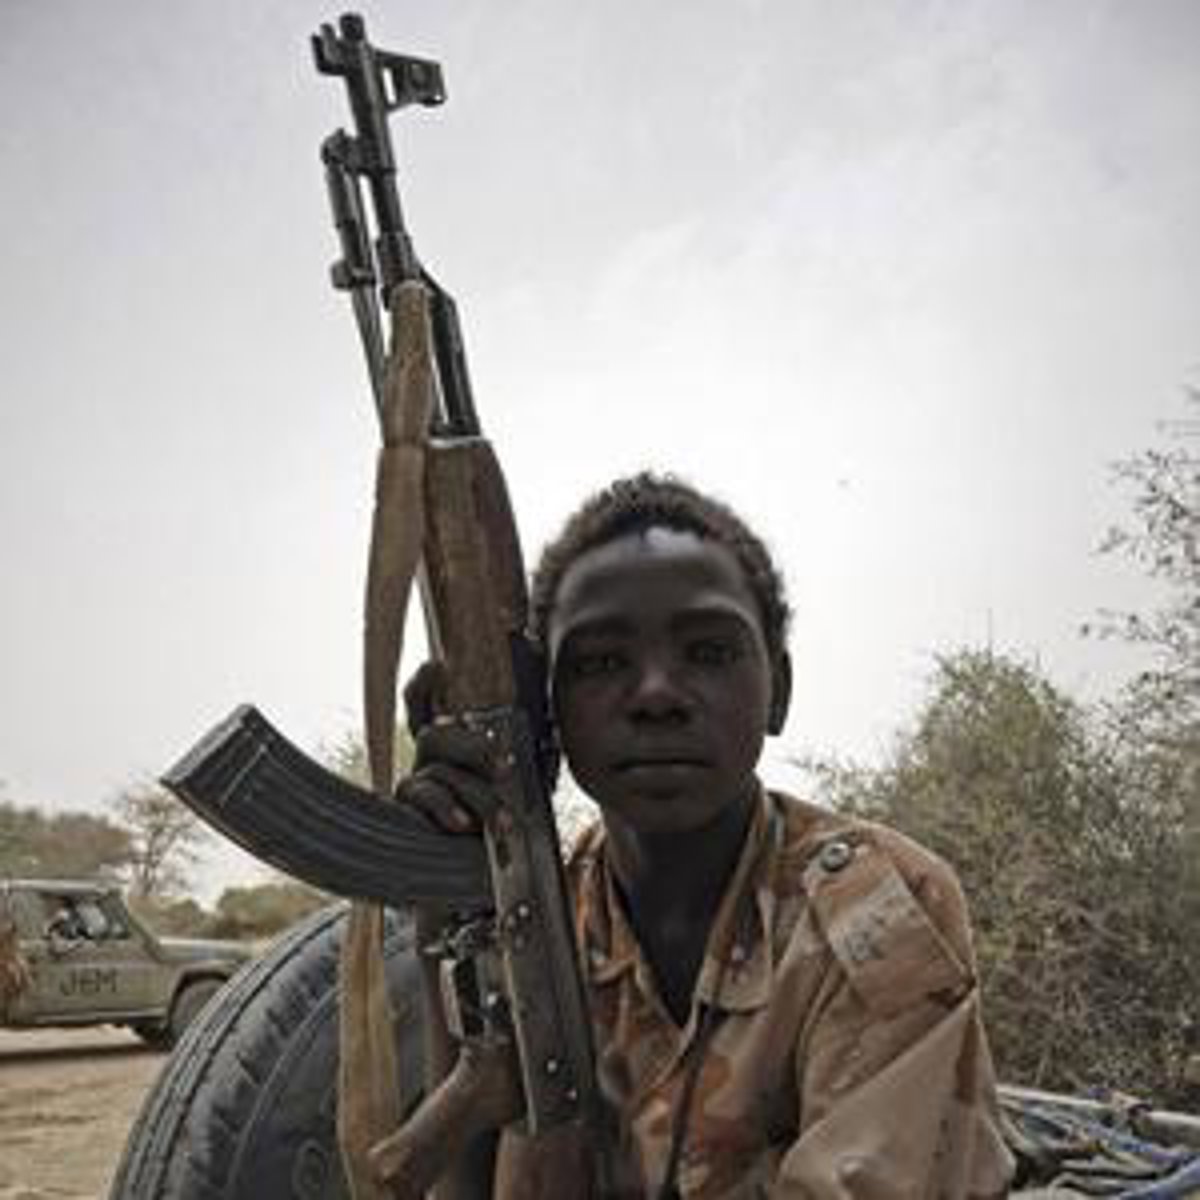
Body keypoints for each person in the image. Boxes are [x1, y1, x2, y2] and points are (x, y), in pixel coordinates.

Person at [401, 471, 1015, 1199]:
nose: (657, 694)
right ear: (547, 713)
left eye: (710, 652)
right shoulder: (534, 921)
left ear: (778, 690)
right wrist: (454, 887)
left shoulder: (874, 913)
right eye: (601, 663)